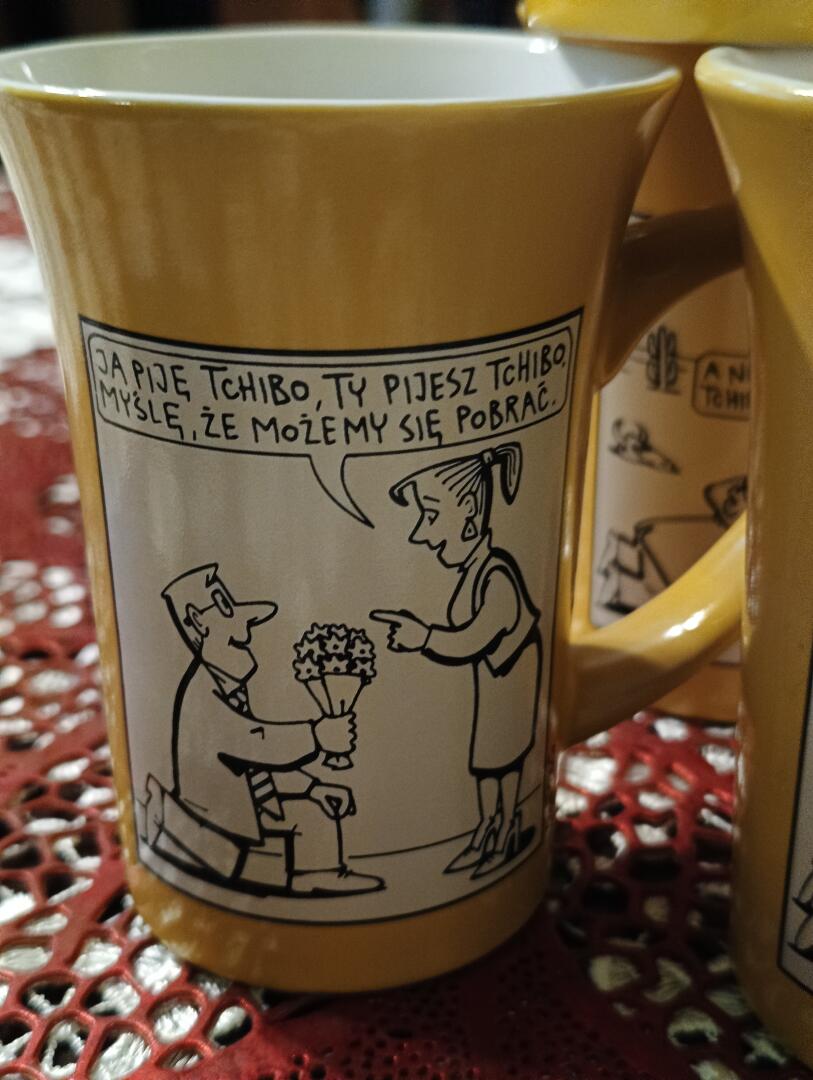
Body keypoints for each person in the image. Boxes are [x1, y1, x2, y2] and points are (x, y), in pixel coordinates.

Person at [138, 563, 383, 898]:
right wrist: (317, 736)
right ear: (198, 621)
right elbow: (254, 742)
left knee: (315, 810)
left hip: (246, 810)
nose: (247, 634)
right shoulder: (203, 693)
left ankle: (316, 873)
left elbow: (256, 767)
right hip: (218, 823)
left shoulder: (229, 687)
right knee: (296, 828)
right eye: (235, 630)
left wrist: (312, 787)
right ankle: (304, 875)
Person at [372, 443, 541, 878]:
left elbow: (473, 638)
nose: (420, 533)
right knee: (487, 760)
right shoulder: (474, 571)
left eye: (430, 515)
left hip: (511, 678)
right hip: (494, 676)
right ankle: (488, 828)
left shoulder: (497, 573)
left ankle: (505, 826)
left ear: (467, 508)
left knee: (504, 756)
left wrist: (422, 636)